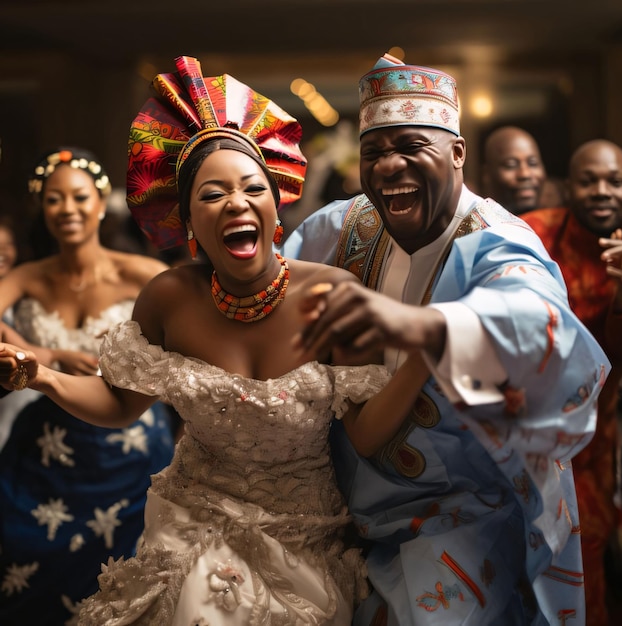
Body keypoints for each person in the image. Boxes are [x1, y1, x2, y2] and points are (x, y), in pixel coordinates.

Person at [0, 56, 430, 626]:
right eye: (212, 195)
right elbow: (121, 403)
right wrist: (45, 376)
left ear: (276, 206)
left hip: (303, 534)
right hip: (192, 522)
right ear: (187, 221)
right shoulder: (167, 298)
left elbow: (367, 432)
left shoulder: (333, 294)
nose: (236, 203)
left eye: (253, 187)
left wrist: (424, 358)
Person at [282, 53, 608, 625]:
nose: (389, 166)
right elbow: (268, 297)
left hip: (468, 511)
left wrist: (426, 326)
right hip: (338, 506)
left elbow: (535, 319)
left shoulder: (500, 237)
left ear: (457, 153)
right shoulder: (340, 228)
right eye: (374, 152)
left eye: (410, 146)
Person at [0, 146, 176, 625]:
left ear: (101, 203)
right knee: (20, 549)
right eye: (54, 200)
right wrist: (43, 354)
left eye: (79, 197)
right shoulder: (27, 276)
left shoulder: (141, 273)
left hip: (129, 443)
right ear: (43, 209)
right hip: (47, 445)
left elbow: (185, 332)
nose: (68, 210)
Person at [521, 139, 622, 626]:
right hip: (530, 425)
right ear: (569, 186)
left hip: (598, 435)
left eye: (615, 181)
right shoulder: (537, 232)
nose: (602, 191)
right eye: (589, 180)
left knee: (590, 550)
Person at [481, 125, 546, 215]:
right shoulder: (474, 227)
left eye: (532, 163)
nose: (525, 174)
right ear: (486, 174)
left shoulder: (561, 225)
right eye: (511, 165)